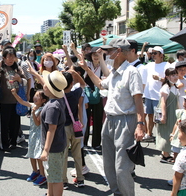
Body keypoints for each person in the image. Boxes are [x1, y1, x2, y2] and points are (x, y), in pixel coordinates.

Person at [79, 38, 145, 196]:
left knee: (122, 168)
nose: (107, 54)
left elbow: (138, 100)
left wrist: (140, 124)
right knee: (109, 165)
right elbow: (101, 84)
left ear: (119, 52)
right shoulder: (115, 72)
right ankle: (117, 193)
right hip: (109, 120)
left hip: (126, 121)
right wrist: (86, 70)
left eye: (109, 51)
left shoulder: (131, 72)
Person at [11, 88, 49, 186]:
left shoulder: (41, 110)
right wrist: (15, 94)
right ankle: (35, 171)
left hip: (39, 135)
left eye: (38, 96)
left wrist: (32, 112)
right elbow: (22, 101)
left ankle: (42, 175)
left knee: (38, 156)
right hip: (32, 134)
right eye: (35, 95)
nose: (35, 97)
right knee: (31, 154)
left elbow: (37, 123)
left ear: (44, 100)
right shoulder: (33, 105)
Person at [39, 70, 67, 196]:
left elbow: (52, 128)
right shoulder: (57, 101)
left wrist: (45, 149)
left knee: (55, 178)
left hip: (53, 147)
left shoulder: (52, 106)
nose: (43, 84)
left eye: (46, 84)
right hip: (58, 145)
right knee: (51, 175)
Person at [0, 46, 25, 151]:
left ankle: (13, 142)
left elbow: (25, 81)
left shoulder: (18, 68)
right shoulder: (0, 68)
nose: (10, 60)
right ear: (3, 58)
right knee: (4, 123)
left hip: (16, 101)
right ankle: (4, 144)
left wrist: (20, 79)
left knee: (15, 123)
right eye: (8, 57)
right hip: (4, 100)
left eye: (12, 57)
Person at [61, 70, 86, 190]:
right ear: (71, 83)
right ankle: (80, 178)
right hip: (75, 126)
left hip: (63, 128)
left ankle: (64, 181)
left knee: (64, 155)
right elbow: (82, 84)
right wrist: (75, 73)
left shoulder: (58, 95)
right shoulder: (76, 93)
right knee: (77, 155)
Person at [142, 46, 170, 142]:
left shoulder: (167, 65)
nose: (153, 55)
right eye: (152, 53)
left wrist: (159, 79)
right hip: (148, 94)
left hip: (159, 95)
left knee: (159, 116)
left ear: (161, 55)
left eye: (155, 53)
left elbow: (170, 80)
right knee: (150, 115)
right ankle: (149, 134)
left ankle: (161, 135)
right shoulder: (149, 65)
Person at [156, 68, 179, 164]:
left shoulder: (174, 86)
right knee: (166, 132)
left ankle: (166, 153)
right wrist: (164, 116)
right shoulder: (166, 87)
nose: (175, 77)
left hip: (173, 112)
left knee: (171, 131)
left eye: (176, 75)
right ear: (167, 77)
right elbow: (163, 103)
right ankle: (165, 154)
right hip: (167, 112)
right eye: (173, 75)